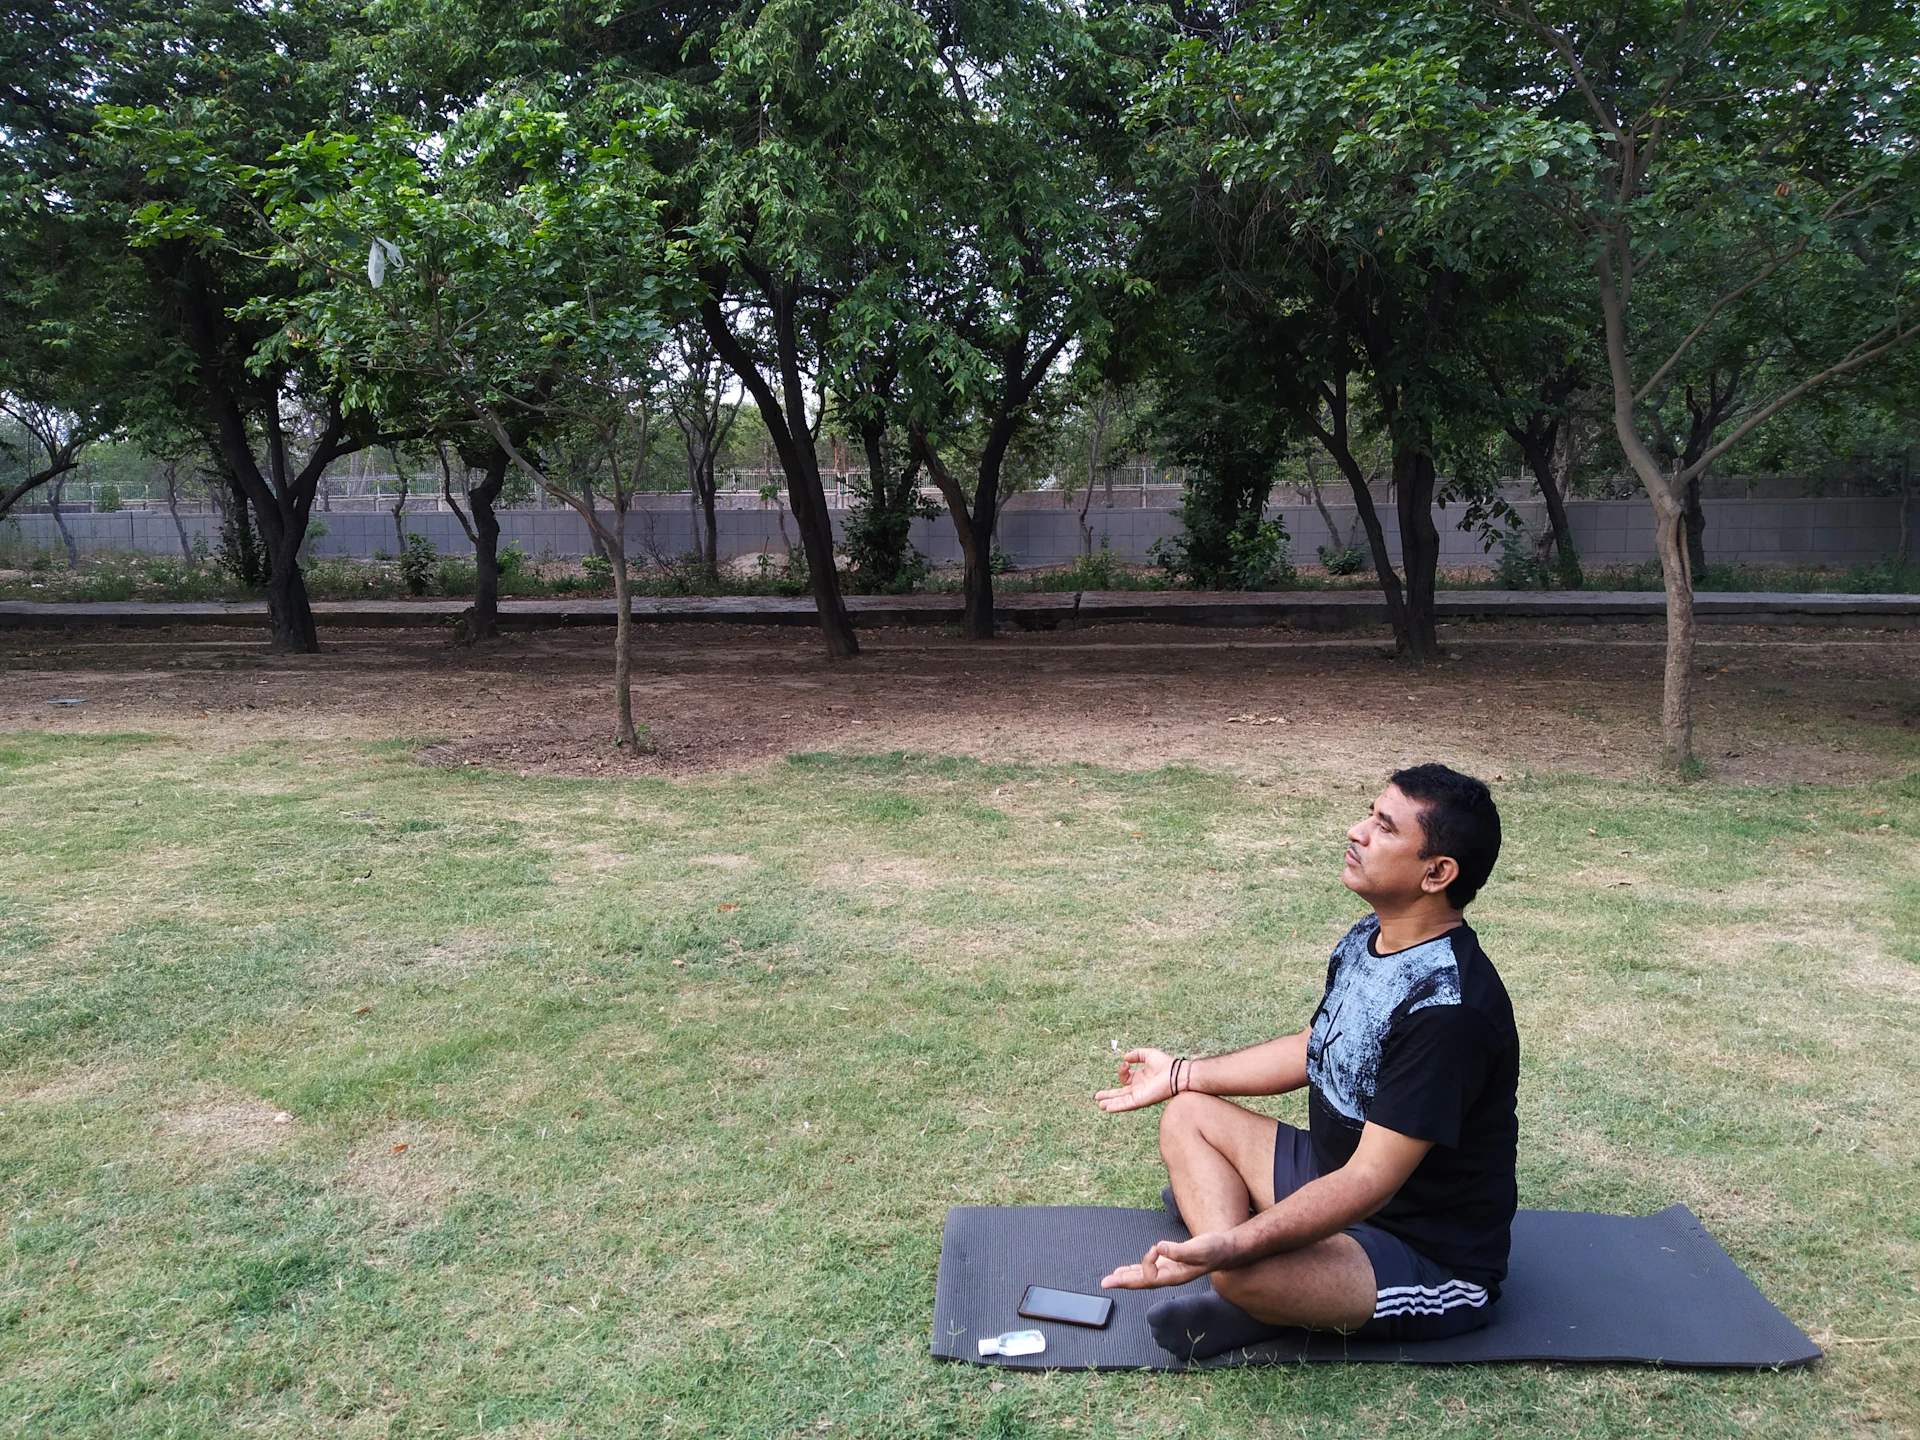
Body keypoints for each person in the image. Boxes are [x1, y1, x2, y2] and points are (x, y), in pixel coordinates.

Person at [1094, 764, 1518, 1361]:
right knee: (1186, 1114)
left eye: (1383, 827)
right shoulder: (1369, 938)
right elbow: (1318, 1045)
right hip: (1329, 1175)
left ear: (1437, 873)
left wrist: (1236, 1245)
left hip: (1420, 1248)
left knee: (1240, 1269)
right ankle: (1243, 1262)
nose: (1357, 831)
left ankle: (1240, 1284)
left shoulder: (1450, 1010)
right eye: (1369, 814)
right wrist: (1181, 1074)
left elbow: (1368, 1183)